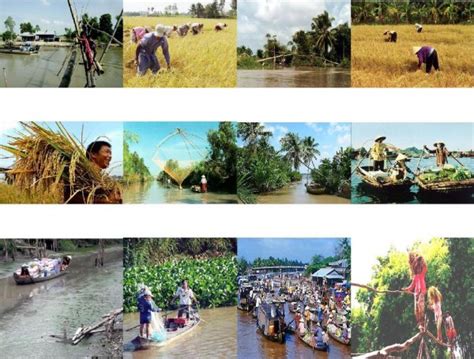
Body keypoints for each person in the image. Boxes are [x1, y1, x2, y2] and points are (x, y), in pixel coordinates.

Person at [402, 252, 428, 330]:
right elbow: (411, 286)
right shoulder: (415, 277)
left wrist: (418, 259)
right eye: (417, 268)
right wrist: (405, 289)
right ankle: (420, 324)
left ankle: (423, 321)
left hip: (422, 292)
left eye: (419, 268)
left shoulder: (423, 273)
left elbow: (425, 266)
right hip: (416, 293)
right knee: (416, 310)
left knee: (421, 306)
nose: (418, 269)